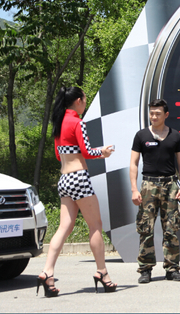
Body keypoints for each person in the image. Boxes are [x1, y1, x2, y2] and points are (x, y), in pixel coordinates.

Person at [38, 86, 116, 297]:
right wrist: (103, 152)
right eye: (85, 100)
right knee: (95, 225)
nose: (85, 104)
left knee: (64, 227)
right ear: (78, 101)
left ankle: (47, 272)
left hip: (64, 179)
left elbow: (58, 155)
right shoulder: (77, 122)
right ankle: (102, 272)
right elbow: (87, 151)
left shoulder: (59, 122)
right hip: (79, 177)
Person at [130, 99, 180, 283]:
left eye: (158, 113)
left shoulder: (175, 135)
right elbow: (133, 163)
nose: (154, 117)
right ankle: (145, 270)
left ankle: (172, 269)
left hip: (170, 185)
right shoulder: (141, 135)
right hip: (148, 185)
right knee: (145, 228)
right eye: (151, 113)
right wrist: (134, 189)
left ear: (166, 115)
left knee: (171, 228)